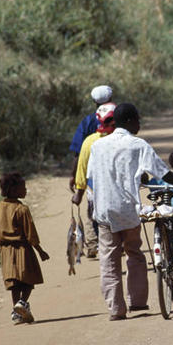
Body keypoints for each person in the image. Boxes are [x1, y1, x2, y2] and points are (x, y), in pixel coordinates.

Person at [86, 103, 173, 321]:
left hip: (104, 209)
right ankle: (137, 301)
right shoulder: (138, 145)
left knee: (109, 260)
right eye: (138, 120)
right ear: (129, 121)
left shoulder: (97, 146)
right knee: (134, 253)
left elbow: (92, 174)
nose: (140, 124)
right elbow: (163, 174)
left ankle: (116, 310)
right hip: (128, 210)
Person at [0, 172, 50, 324]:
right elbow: (30, 233)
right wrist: (40, 251)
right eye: (23, 187)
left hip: (6, 250)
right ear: (14, 190)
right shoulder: (22, 209)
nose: (26, 190)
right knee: (28, 279)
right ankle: (22, 303)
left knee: (14, 281)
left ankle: (17, 311)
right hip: (23, 249)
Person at [69, 85, 115, 253]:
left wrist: (74, 177)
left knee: (91, 212)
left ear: (94, 102)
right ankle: (117, 242)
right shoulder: (118, 120)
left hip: (92, 178)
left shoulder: (88, 122)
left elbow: (79, 154)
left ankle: (93, 244)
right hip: (113, 176)